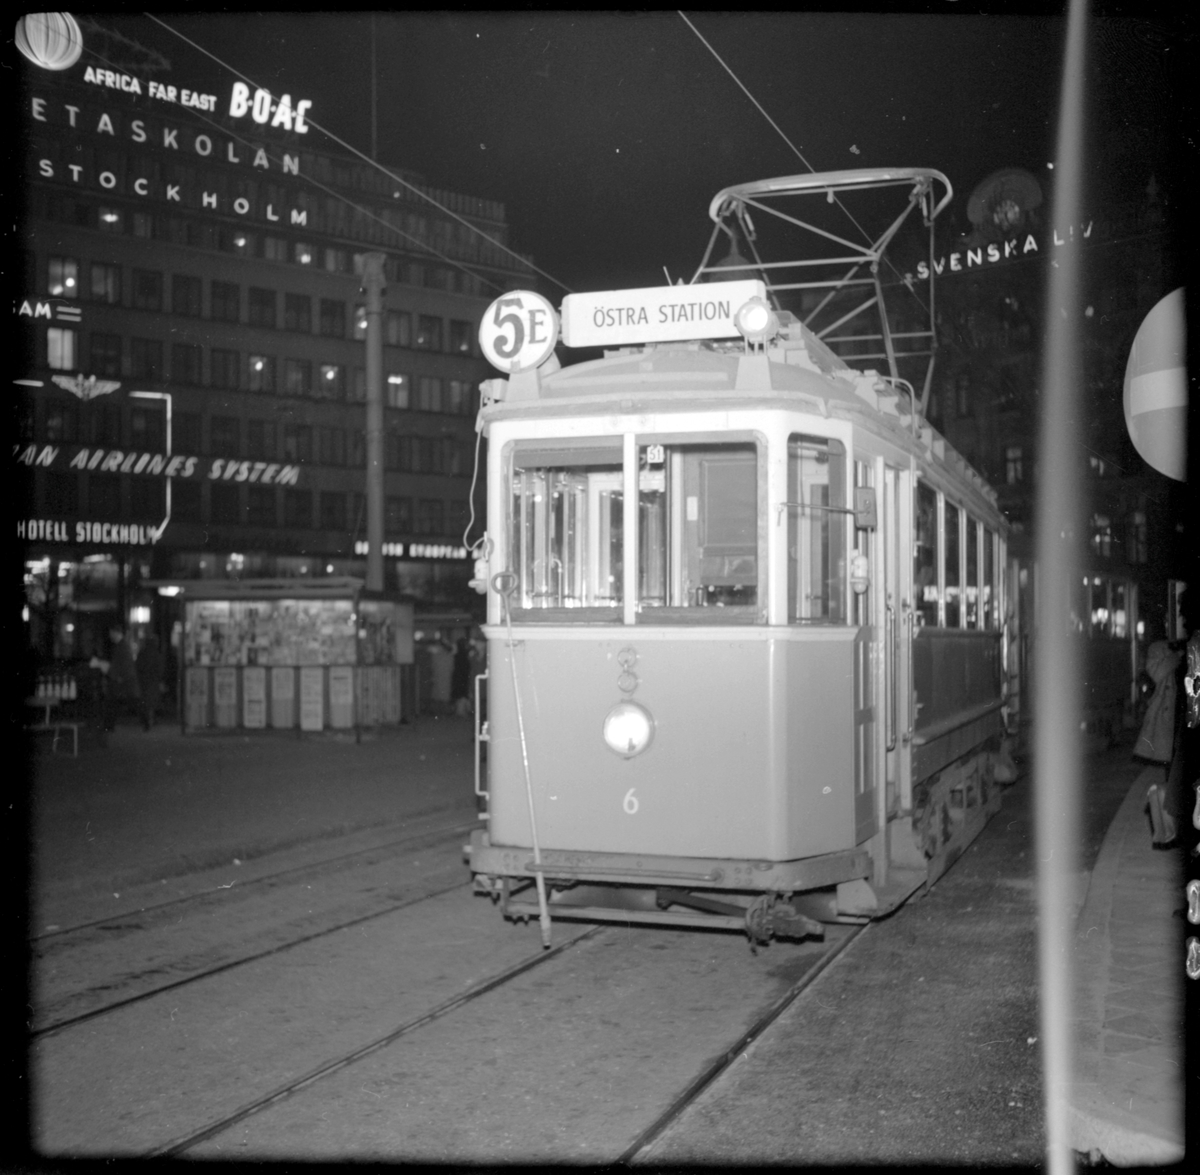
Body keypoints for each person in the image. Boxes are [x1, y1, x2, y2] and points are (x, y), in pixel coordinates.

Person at [91, 624, 141, 736]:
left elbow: (121, 664)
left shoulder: (121, 646)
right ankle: (109, 725)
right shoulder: (122, 645)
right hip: (124, 680)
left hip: (123, 681)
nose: (110, 636)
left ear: (115, 632)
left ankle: (109, 726)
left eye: (111, 633)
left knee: (115, 702)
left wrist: (112, 672)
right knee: (116, 702)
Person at [135, 633, 164, 731]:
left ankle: (146, 720)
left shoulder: (142, 653)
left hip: (143, 681)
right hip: (153, 681)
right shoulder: (156, 654)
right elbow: (160, 669)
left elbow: (137, 666)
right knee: (151, 702)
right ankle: (150, 719)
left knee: (145, 701)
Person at [451, 637, 472, 718]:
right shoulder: (466, 656)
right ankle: (462, 711)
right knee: (463, 695)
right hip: (464, 678)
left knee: (460, 695)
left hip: (458, 679)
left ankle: (460, 711)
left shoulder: (457, 656)